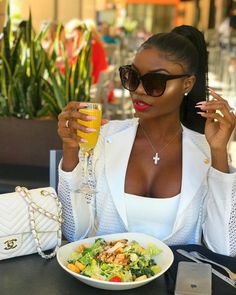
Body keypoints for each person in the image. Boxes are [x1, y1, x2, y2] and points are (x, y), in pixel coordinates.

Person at [57, 25, 236, 256]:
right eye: (132, 77)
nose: (139, 90)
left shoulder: (206, 152)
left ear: (187, 84)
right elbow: (75, 234)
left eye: (155, 82)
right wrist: (71, 151)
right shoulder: (103, 138)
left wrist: (219, 154)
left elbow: (223, 248)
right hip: (106, 282)